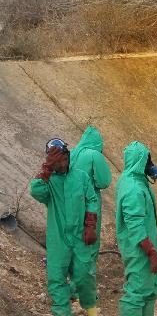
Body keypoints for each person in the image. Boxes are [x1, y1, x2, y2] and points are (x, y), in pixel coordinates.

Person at [29, 138, 100, 316]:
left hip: (80, 234)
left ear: (68, 157)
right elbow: (35, 191)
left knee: (85, 272)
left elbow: (91, 200)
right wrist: (46, 169)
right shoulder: (48, 181)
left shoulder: (81, 177)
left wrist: (90, 226)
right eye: (56, 161)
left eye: (63, 159)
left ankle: (89, 304)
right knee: (57, 275)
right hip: (57, 237)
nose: (61, 164)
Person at [116, 141, 157, 316]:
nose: (151, 164)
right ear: (139, 161)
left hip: (146, 245)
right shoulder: (134, 188)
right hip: (139, 248)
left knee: (151, 285)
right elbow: (135, 224)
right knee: (137, 288)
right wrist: (151, 252)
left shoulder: (134, 179)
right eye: (148, 159)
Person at [68, 126, 112, 301]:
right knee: (89, 246)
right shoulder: (95, 155)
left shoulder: (71, 153)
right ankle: (83, 291)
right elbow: (104, 181)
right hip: (89, 205)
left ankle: (71, 287)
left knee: (74, 246)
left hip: (70, 206)